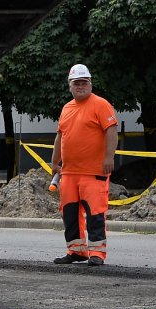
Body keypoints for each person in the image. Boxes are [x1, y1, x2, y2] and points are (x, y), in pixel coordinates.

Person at [48, 62, 118, 266]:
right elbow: (60, 136)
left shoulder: (100, 104)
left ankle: (97, 253)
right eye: (76, 83)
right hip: (69, 172)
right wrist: (54, 161)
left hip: (94, 172)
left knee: (95, 213)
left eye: (84, 82)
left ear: (90, 84)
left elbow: (111, 131)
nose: (80, 86)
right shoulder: (67, 108)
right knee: (69, 214)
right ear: (70, 85)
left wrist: (108, 157)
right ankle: (76, 251)